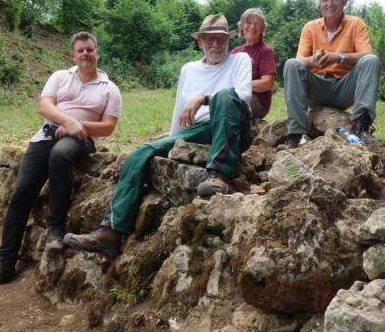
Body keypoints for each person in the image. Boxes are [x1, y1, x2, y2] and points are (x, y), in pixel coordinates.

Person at [63, 14, 253, 259]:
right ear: (200, 42)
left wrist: (204, 98)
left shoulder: (240, 60)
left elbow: (244, 95)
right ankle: (110, 231)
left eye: (220, 39)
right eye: (210, 39)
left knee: (226, 95)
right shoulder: (189, 69)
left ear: (228, 40)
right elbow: (179, 112)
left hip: (233, 125)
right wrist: (172, 142)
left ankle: (219, 175)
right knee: (140, 153)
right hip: (199, 131)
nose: (216, 45)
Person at [0, 32, 123, 287]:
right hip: (45, 136)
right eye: (80, 51)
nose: (85, 54)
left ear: (97, 53)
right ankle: (5, 263)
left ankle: (56, 227)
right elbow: (45, 107)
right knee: (21, 193)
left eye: (90, 49)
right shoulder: (60, 77)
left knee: (61, 154)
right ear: (73, 56)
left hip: (80, 140)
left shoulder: (109, 89)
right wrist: (68, 121)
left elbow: (108, 127)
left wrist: (77, 128)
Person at [278, 0, 381, 149]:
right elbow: (299, 60)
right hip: (317, 87)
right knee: (291, 64)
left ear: (345, 1)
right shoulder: (310, 27)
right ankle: (296, 134)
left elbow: (366, 53)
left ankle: (360, 127)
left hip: (345, 88)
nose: (329, 3)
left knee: (371, 60)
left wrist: (337, 57)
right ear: (320, 2)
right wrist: (313, 60)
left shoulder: (356, 24)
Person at [231, 8, 277, 120]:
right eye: (248, 23)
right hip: (237, 95)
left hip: (257, 102)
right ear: (241, 26)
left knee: (227, 101)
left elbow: (268, 83)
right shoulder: (235, 52)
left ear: (262, 28)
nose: (252, 27)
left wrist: (239, 86)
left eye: (256, 24)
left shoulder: (266, 51)